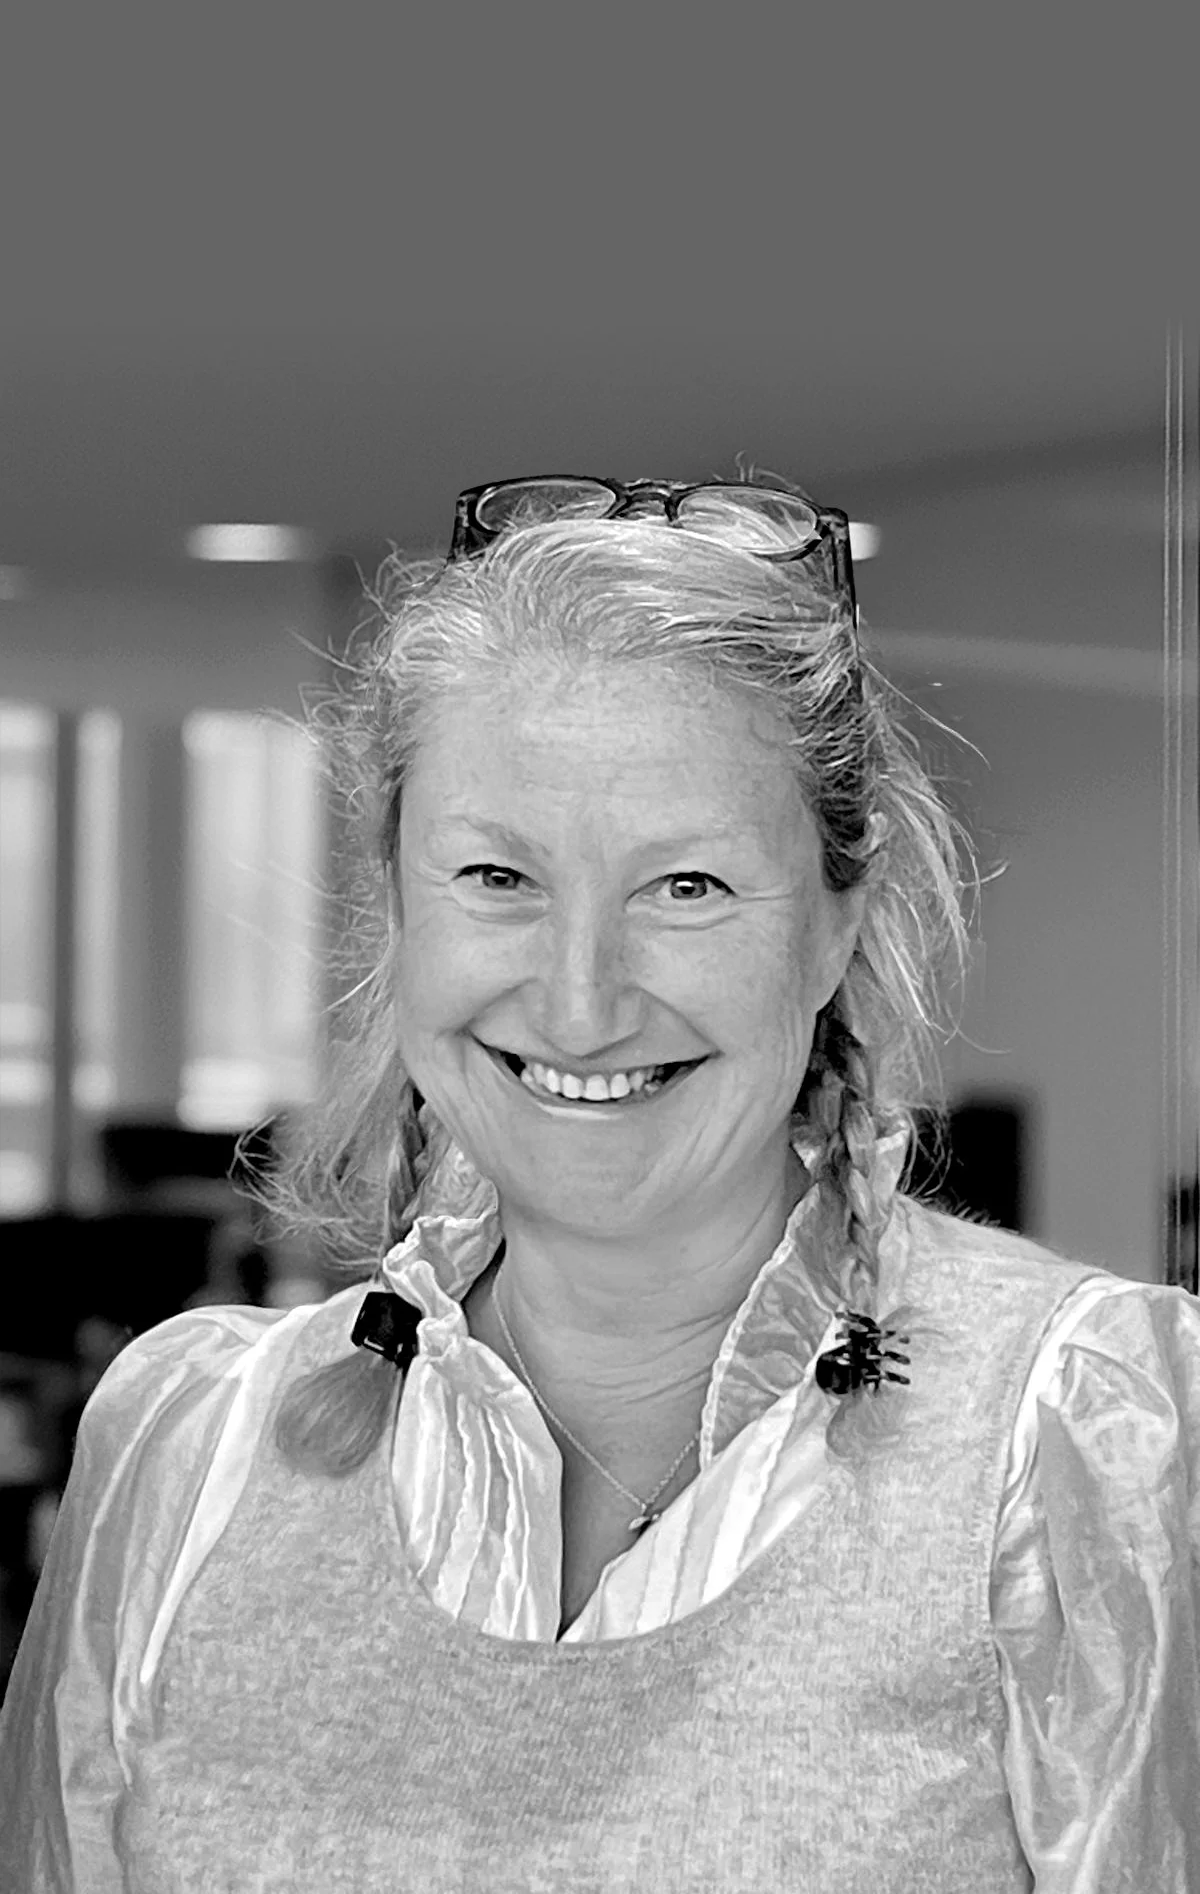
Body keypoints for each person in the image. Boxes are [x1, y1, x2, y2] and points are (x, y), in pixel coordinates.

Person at [1, 468, 1198, 1892]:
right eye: (497, 878)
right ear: (394, 904)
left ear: (836, 929)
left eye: (685, 887)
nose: (578, 1007)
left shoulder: (1094, 1439)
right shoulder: (186, 1450)